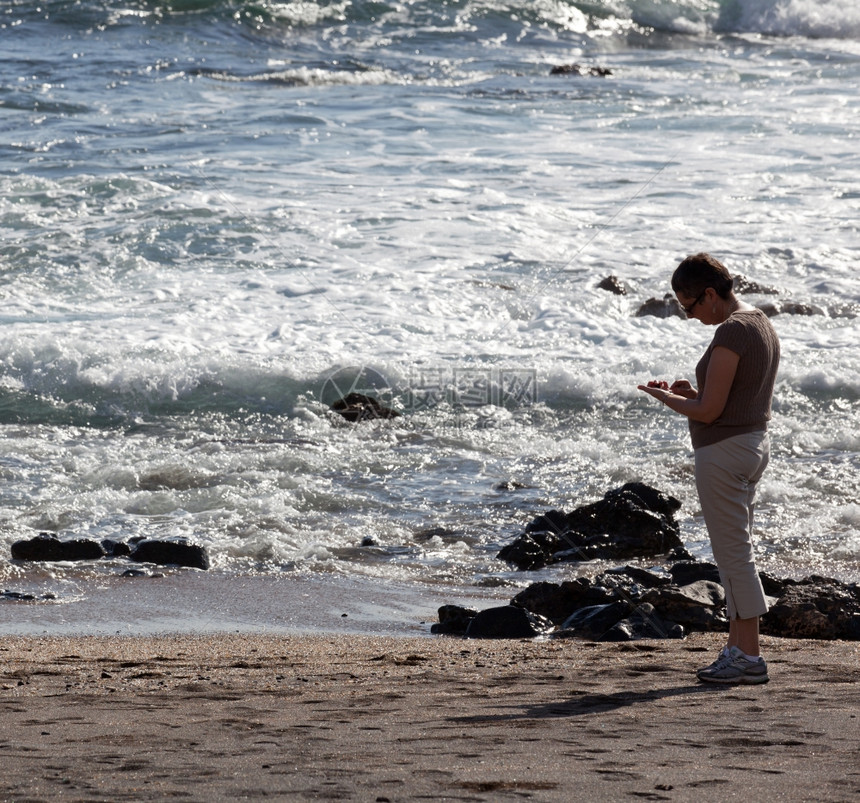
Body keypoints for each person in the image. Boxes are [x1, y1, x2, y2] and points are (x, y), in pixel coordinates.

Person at [638, 252, 780, 685]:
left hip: (725, 451)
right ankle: (738, 648)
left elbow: (709, 411)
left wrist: (666, 398)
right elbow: (729, 398)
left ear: (712, 294)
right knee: (737, 551)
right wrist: (691, 393)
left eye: (690, 305)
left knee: (734, 556)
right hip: (752, 444)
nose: (688, 314)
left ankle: (749, 656)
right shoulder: (759, 321)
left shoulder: (732, 332)